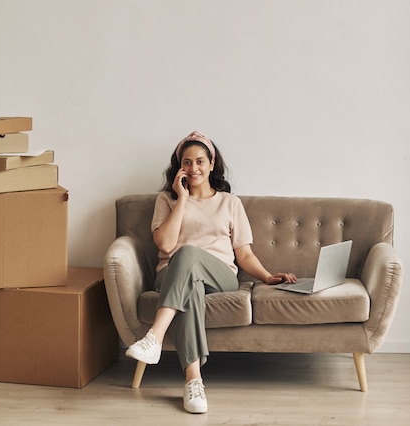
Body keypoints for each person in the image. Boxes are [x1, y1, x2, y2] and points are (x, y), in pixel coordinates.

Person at [125, 131, 296, 414]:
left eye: (200, 161)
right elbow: (166, 244)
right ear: (179, 166)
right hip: (171, 274)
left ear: (212, 163)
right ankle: (194, 381)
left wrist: (266, 276)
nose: (194, 168)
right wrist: (182, 198)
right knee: (188, 280)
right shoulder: (166, 200)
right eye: (187, 162)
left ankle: (154, 337)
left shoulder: (230, 203)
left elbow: (244, 254)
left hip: (220, 277)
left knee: (189, 252)